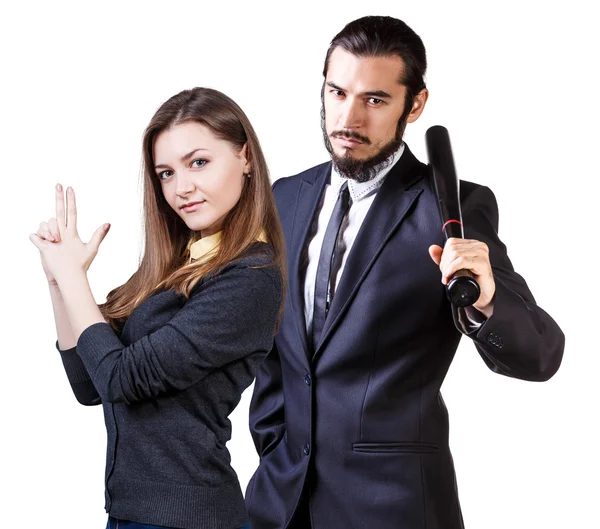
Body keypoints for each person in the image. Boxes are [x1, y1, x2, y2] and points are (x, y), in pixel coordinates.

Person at [245, 16, 565, 529]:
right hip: (278, 504)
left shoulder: (451, 208)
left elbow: (542, 354)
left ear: (414, 105)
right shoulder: (284, 196)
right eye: (337, 92)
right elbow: (273, 351)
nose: (347, 117)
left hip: (393, 509)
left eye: (374, 100)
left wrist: (485, 302)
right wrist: (273, 445)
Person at [29, 87, 286, 529]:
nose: (181, 188)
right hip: (132, 514)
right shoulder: (180, 264)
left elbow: (118, 377)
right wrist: (59, 281)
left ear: (245, 158)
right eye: (165, 173)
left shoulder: (251, 277)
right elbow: (88, 382)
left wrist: (75, 280)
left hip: (190, 519)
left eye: (198, 162)